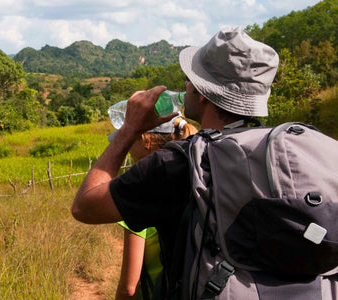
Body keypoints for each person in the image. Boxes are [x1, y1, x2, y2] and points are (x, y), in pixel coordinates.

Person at [71, 27, 279, 298]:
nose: (185, 86)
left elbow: (84, 206)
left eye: (189, 80)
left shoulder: (180, 164)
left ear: (203, 93)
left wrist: (129, 130)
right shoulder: (281, 154)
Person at [114, 115, 198, 300]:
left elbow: (129, 288)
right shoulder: (196, 177)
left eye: (130, 141)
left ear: (146, 140)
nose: (129, 149)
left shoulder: (141, 196)